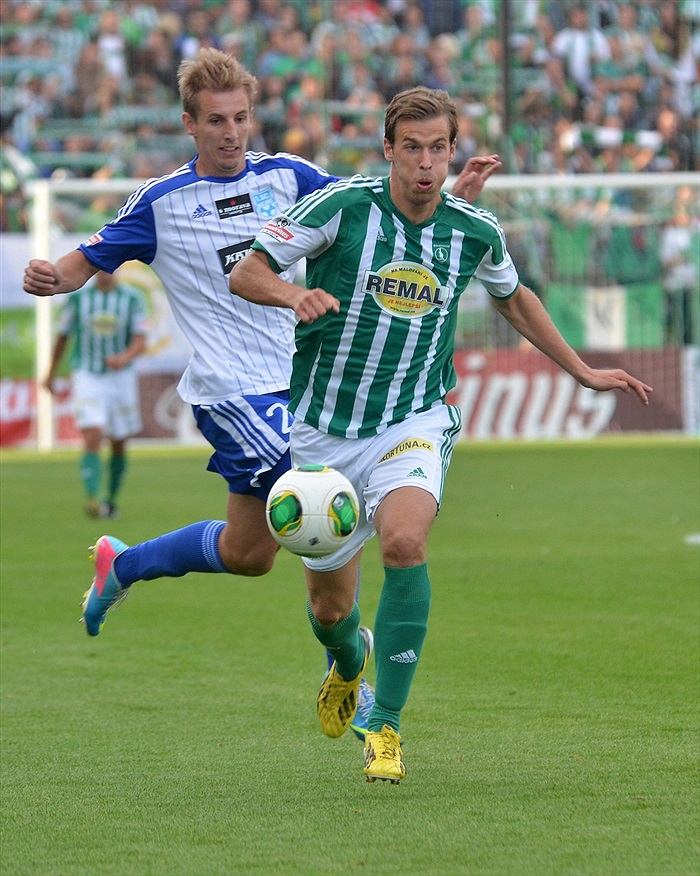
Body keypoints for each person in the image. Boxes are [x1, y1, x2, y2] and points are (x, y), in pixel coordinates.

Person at [22, 49, 499, 742]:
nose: (231, 132)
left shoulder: (292, 177)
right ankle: (361, 676)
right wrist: (51, 276)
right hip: (232, 393)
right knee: (321, 493)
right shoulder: (162, 203)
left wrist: (461, 198)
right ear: (190, 124)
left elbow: (381, 216)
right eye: (215, 120)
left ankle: (121, 565)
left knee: (252, 553)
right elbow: (85, 260)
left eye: (241, 118)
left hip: (306, 383)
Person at [229, 85, 653, 784]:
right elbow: (247, 271)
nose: (425, 163)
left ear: (452, 151)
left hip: (413, 419)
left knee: (405, 540)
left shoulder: (473, 230)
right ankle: (345, 662)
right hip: (323, 434)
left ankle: (387, 724)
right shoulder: (339, 209)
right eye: (412, 148)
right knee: (329, 609)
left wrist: (580, 370)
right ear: (388, 149)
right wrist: (292, 292)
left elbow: (514, 297)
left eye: (438, 149)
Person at [43, 269, 147, 519]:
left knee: (119, 441)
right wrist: (51, 373)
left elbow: (140, 340)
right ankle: (92, 499)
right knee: (94, 431)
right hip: (87, 373)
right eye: (100, 267)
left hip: (120, 377)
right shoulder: (78, 298)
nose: (104, 272)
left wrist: (123, 358)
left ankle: (110, 501)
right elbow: (63, 336)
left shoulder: (133, 299)